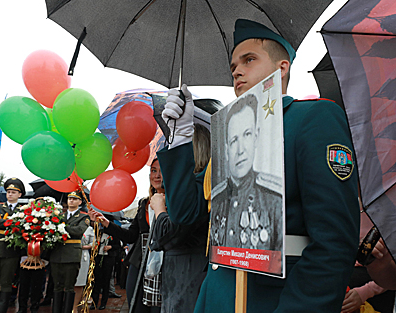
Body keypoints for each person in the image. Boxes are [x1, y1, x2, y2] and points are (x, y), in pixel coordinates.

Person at [159, 19, 360, 312]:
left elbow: (334, 242)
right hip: (215, 297)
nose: (237, 71)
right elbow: (186, 214)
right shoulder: (227, 136)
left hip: (271, 301)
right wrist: (179, 141)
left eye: (249, 59)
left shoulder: (312, 118)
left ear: (282, 68)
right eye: (233, 66)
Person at [88, 159, 163, 313]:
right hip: (139, 263)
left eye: (162, 171)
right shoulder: (144, 203)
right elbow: (130, 235)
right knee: (136, 305)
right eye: (153, 171)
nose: (157, 176)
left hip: (164, 265)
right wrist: (106, 223)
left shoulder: (176, 203)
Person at [149, 123, 211, 313]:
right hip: (178, 272)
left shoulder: (200, 186)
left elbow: (170, 234)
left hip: (189, 272)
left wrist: (159, 210)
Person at [211, 94, 282, 250]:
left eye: (247, 135)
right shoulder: (217, 198)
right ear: (226, 149)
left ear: (256, 137)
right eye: (234, 140)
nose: (240, 150)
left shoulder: (273, 199)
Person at [0, 177, 25, 313]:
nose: (10, 194)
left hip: (11, 250)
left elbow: (24, 227)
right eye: (8, 191)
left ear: (19, 194)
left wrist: (6, 221)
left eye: (14, 192)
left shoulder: (24, 210)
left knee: (6, 283)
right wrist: (13, 222)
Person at [49, 190, 90, 313]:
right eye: (69, 198)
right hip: (57, 253)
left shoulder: (84, 216)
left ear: (80, 202)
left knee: (69, 287)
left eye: (74, 199)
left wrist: (61, 227)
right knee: (57, 286)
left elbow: (78, 231)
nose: (71, 201)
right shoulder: (58, 216)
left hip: (72, 254)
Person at [91, 223, 121, 310]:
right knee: (96, 280)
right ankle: (94, 302)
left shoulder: (114, 234)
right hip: (98, 257)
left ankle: (103, 302)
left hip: (108, 258)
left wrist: (110, 247)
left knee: (106, 280)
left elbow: (118, 246)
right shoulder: (98, 232)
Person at [73, 223, 95, 313]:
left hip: (83, 255)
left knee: (79, 282)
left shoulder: (89, 229)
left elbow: (93, 243)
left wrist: (82, 247)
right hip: (71, 254)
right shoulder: (70, 226)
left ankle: (75, 307)